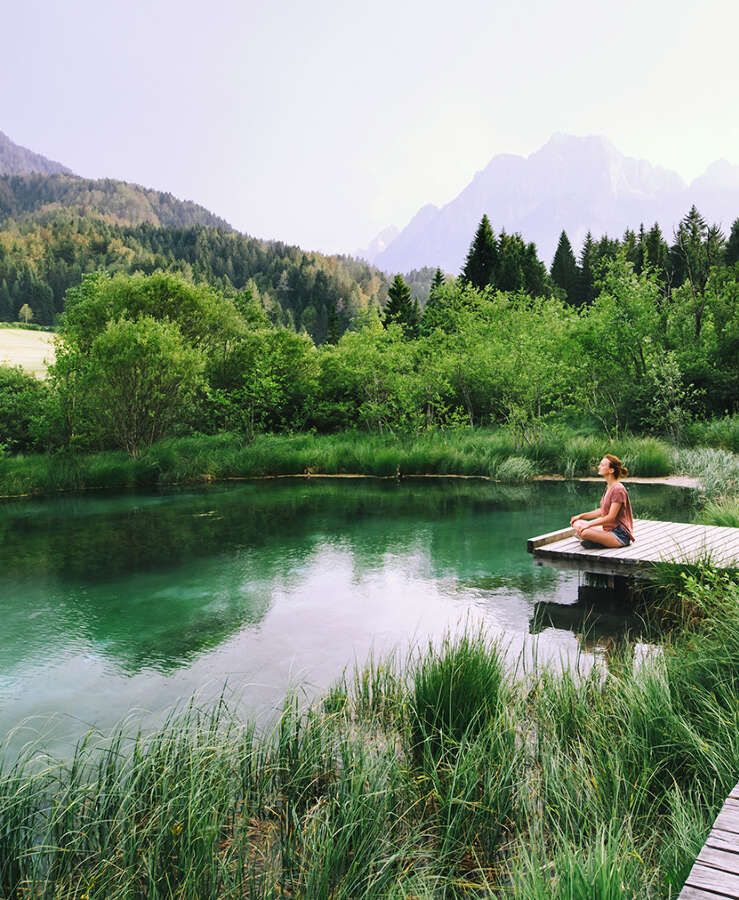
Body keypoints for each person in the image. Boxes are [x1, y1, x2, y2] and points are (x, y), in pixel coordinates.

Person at [569, 454, 634, 548]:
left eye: (602, 465)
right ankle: (595, 540)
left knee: (585, 532)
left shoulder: (618, 489)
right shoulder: (609, 486)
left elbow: (611, 517)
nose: (599, 467)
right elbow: (602, 511)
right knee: (577, 523)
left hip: (619, 535)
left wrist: (588, 525)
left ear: (611, 470)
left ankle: (595, 541)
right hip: (607, 530)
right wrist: (581, 516)